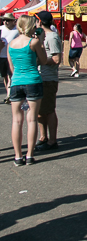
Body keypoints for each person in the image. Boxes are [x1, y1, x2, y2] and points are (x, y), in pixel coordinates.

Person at [7, 15, 49, 165]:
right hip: (32, 81)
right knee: (31, 119)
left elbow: (11, 67)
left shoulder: (11, 44)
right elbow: (43, 61)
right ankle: (30, 155)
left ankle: (18, 156)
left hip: (16, 82)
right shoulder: (34, 42)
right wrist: (42, 41)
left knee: (16, 121)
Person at [36, 10, 62, 150]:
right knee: (40, 110)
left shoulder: (52, 37)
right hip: (40, 78)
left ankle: (52, 140)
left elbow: (57, 59)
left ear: (40, 21)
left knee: (49, 110)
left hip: (48, 79)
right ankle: (43, 136)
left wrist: (40, 60)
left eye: (36, 20)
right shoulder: (42, 36)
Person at [1, 12, 19, 103]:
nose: (5, 22)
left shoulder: (17, 30)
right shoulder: (1, 29)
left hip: (12, 56)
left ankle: (9, 95)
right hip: (1, 56)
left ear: (13, 21)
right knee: (5, 76)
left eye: (7, 20)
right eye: (4, 20)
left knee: (10, 75)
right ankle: (8, 93)